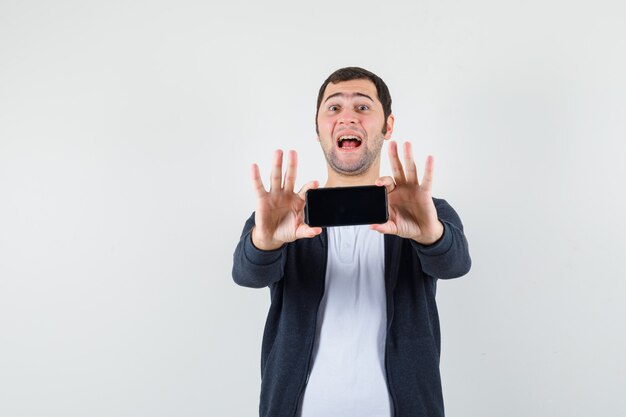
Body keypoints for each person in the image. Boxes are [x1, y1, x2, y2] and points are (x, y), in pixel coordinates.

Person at [232, 67, 471, 417]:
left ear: (388, 125)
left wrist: (430, 234)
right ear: (318, 129)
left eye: (362, 107)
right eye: (333, 108)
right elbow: (246, 273)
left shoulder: (424, 211)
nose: (347, 117)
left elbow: (455, 263)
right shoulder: (287, 214)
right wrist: (264, 240)